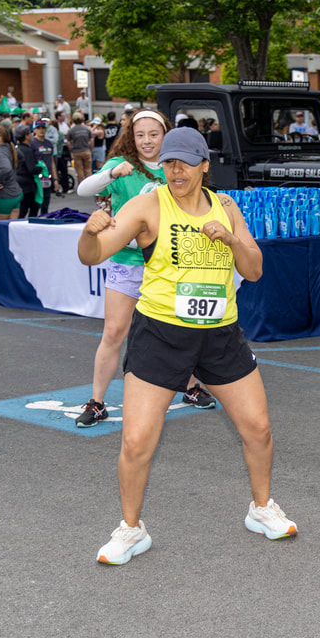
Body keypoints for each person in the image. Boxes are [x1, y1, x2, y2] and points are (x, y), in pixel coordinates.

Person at [77, 127, 298, 564]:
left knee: (258, 429)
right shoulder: (148, 204)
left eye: (185, 163)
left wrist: (232, 240)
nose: (176, 171)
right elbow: (93, 254)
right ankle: (131, 530)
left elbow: (254, 270)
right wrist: (89, 233)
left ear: (204, 166)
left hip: (220, 335)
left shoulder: (226, 206)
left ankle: (261, 509)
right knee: (136, 441)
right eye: (169, 164)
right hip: (161, 335)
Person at [74, 109, 215, 428]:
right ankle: (97, 402)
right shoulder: (121, 165)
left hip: (169, 263)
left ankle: (191, 386)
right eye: (140, 135)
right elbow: (84, 189)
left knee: (182, 328)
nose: (147, 141)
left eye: (154, 134)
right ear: (130, 137)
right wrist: (112, 174)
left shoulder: (175, 166)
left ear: (166, 135)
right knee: (114, 332)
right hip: (127, 263)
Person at [0, 124, 22, 221]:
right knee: (11, 228)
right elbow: (21, 157)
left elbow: (6, 168)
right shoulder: (10, 149)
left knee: (0, 228)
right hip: (15, 193)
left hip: (4, 196)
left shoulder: (0, 153)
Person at [13, 124, 41, 219]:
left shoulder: (16, 149)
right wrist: (40, 168)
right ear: (26, 136)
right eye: (30, 133)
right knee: (32, 208)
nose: (31, 135)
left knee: (21, 209)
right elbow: (31, 169)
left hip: (17, 182)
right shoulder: (27, 150)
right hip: (27, 184)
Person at [30, 119, 57, 215]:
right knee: (36, 204)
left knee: (46, 203)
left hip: (47, 178)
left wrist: (55, 179)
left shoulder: (49, 143)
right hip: (37, 178)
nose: (41, 130)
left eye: (43, 128)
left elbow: (52, 161)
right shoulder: (32, 143)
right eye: (38, 128)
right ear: (34, 129)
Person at [67, 113, 93, 185]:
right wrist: (90, 149)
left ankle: (81, 185)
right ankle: (89, 185)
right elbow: (91, 140)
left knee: (79, 170)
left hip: (76, 152)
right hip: (86, 150)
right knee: (88, 169)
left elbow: (68, 142)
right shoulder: (86, 129)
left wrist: (71, 149)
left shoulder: (72, 130)